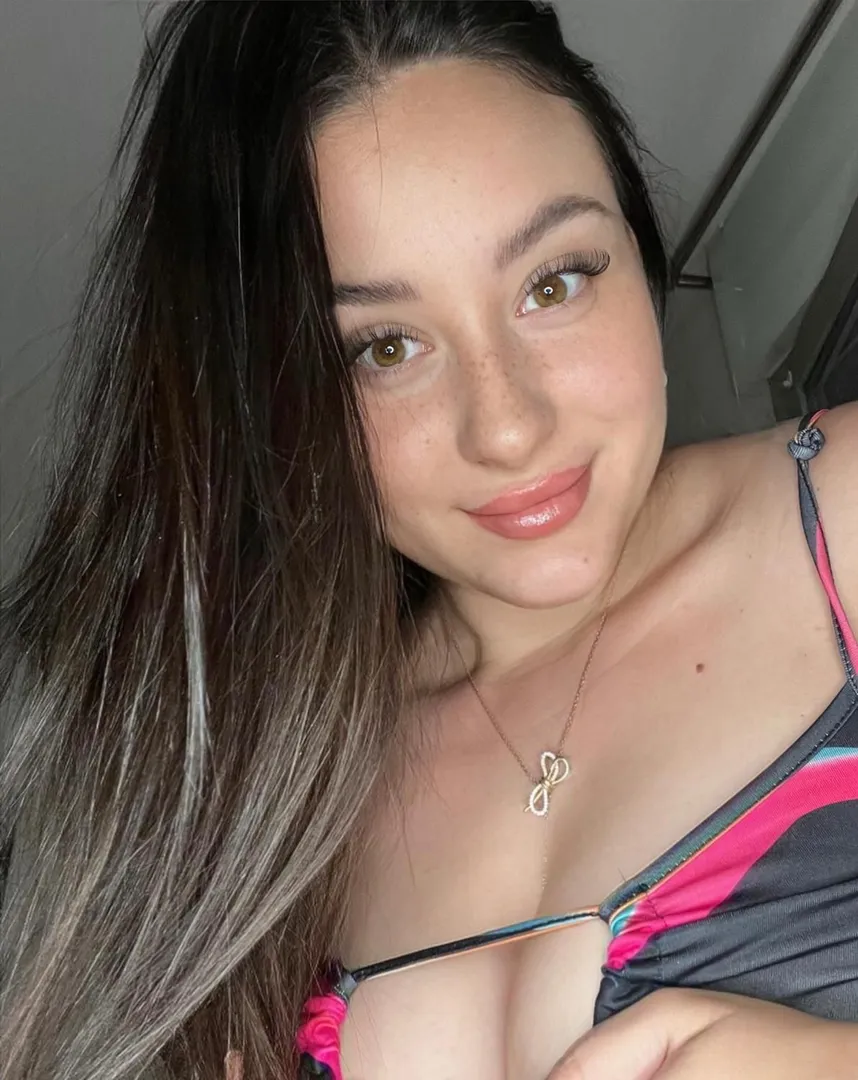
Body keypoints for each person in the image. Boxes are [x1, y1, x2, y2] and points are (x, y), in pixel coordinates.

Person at [1, 2, 856, 1079]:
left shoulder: (840, 511)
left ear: (639, 253)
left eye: (554, 282)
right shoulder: (259, 815)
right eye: (384, 348)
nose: (508, 427)